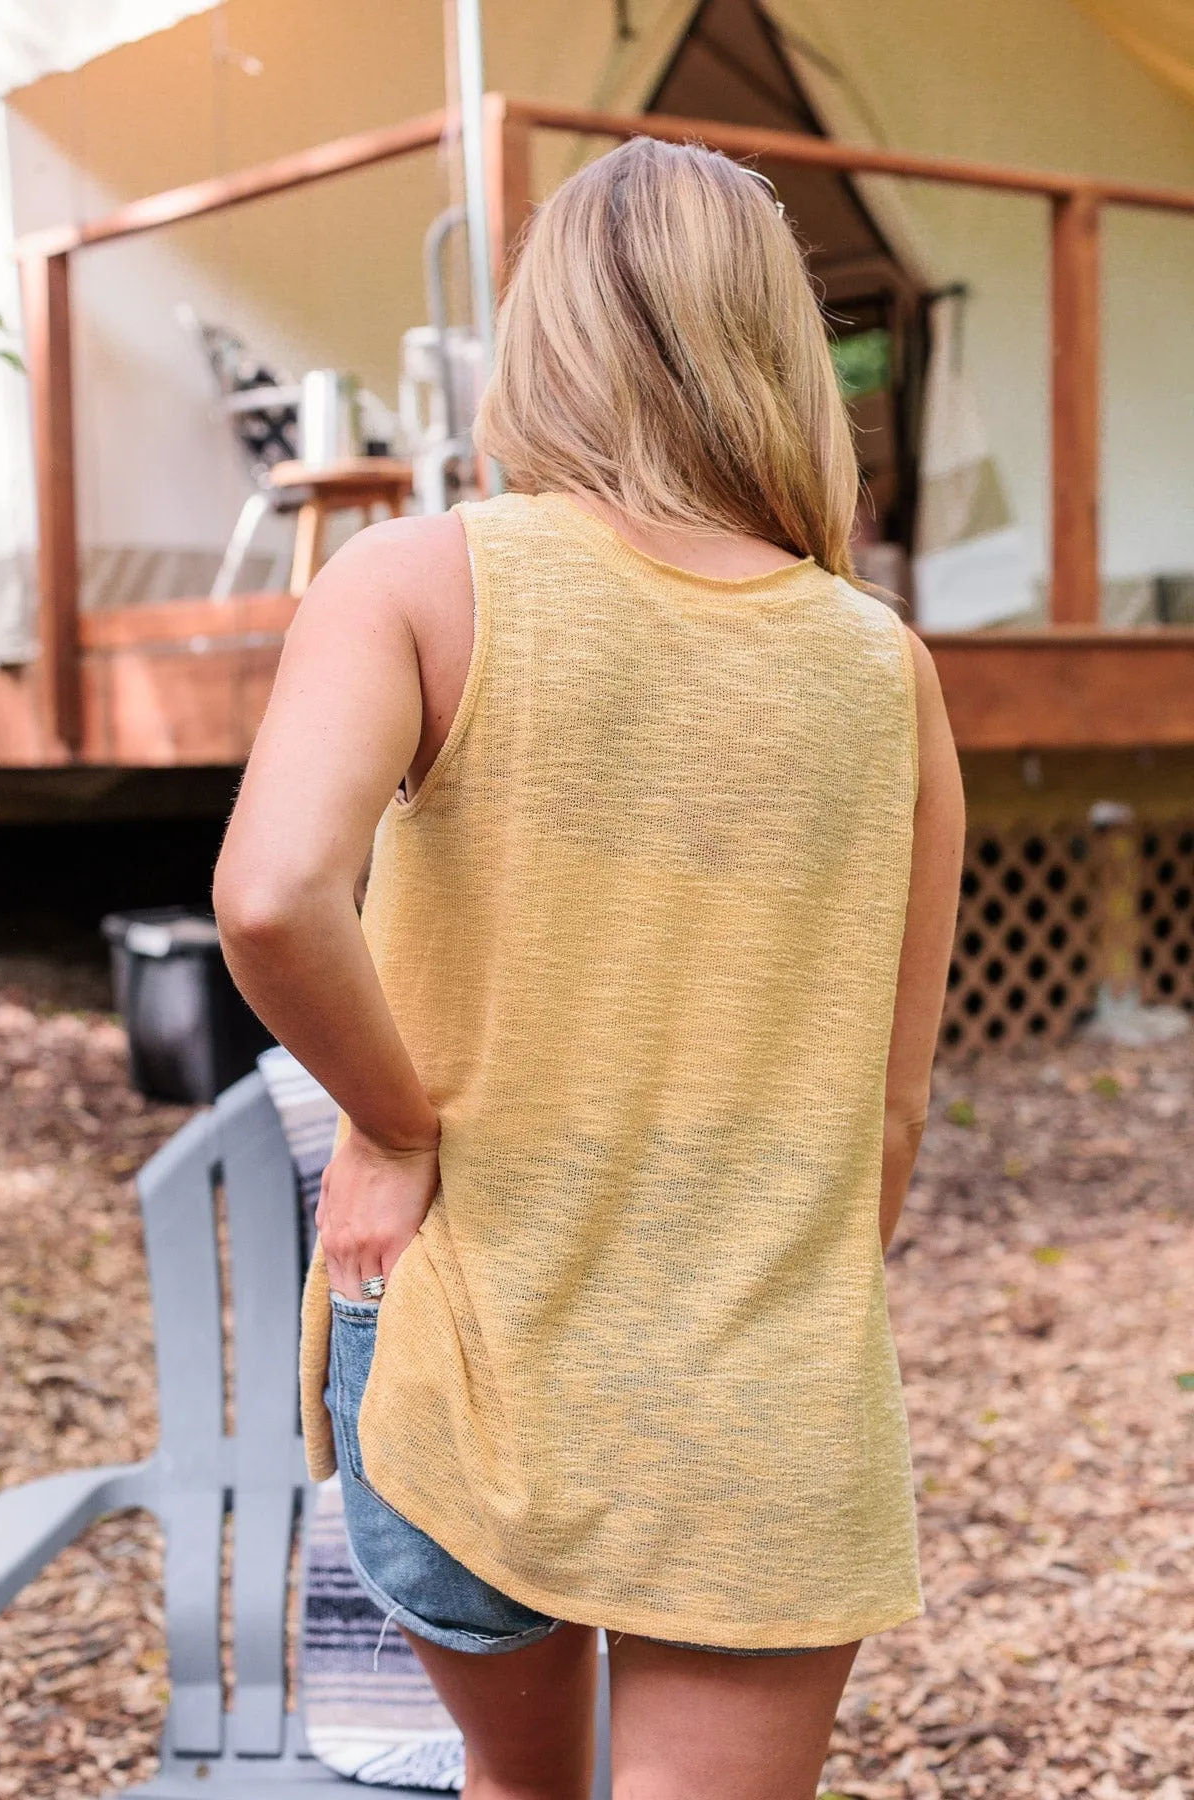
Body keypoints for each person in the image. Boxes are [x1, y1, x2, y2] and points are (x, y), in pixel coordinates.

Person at [214, 134, 965, 1800]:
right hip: (754, 1372)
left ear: (539, 339)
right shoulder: (883, 669)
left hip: (468, 1341)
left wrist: (395, 1127)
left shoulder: (418, 582)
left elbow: (271, 897)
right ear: (781, 351)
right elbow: (893, 1117)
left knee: (518, 1789)